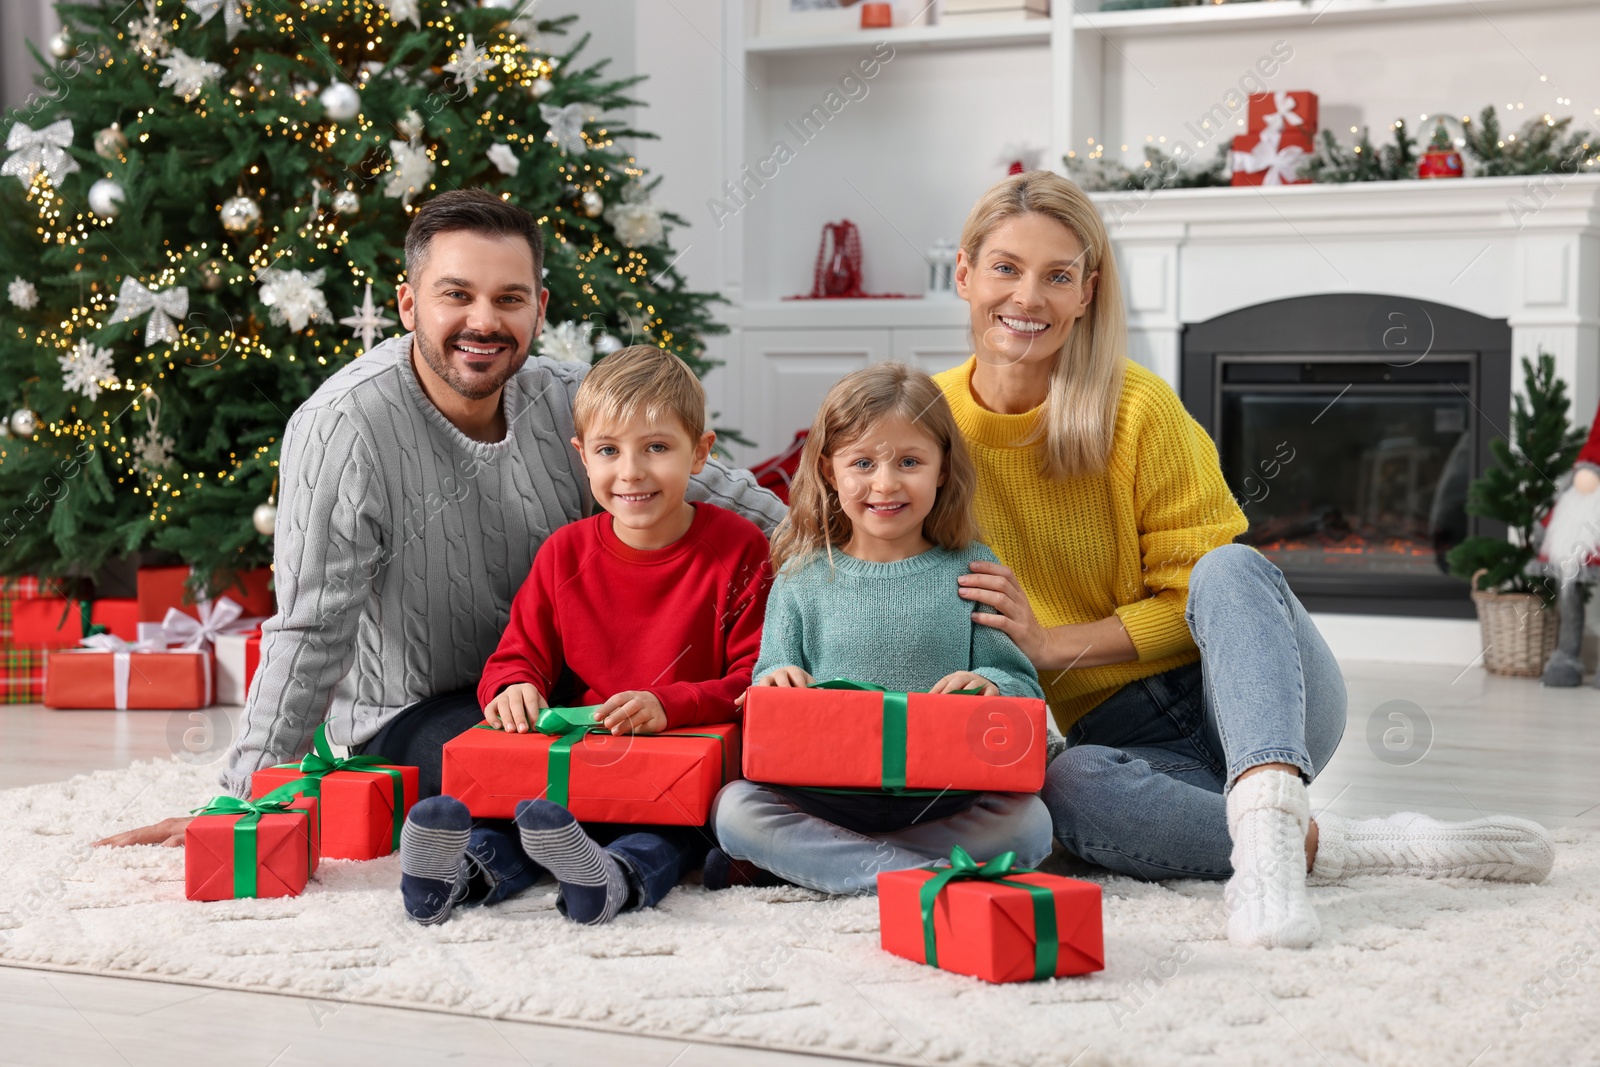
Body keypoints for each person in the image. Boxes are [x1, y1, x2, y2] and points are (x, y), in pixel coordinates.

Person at [935, 170, 1555, 948]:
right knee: (1066, 787)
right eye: (1005, 268)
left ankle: (1265, 858)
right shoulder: (929, 427)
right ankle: (1338, 843)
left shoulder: (1137, 407)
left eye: (1058, 276)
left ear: (1087, 293)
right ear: (964, 272)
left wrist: (1056, 642)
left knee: (1227, 568)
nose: (1028, 297)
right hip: (1125, 738)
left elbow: (1205, 598)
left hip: (1256, 692)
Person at [96, 189, 783, 848]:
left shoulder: (570, 399)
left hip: (554, 696)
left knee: (691, 759)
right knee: (536, 784)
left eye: (508, 299)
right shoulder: (345, 427)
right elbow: (309, 628)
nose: (484, 321)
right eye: (456, 294)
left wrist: (868, 547)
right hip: (412, 712)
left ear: (539, 310)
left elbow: (735, 498)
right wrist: (242, 800)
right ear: (407, 303)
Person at [399, 345, 771, 926]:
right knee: (513, 816)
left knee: (684, 828)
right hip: (581, 763)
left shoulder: (739, 548)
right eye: (608, 451)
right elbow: (516, 655)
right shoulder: (565, 553)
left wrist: (668, 706)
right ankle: (457, 873)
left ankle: (612, 878)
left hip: (681, 765)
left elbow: (755, 680)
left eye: (657, 447)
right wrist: (514, 685)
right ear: (583, 457)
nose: (631, 472)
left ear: (699, 453)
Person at [709, 362, 1053, 895]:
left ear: (942, 469)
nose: (885, 483)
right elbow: (765, 682)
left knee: (1031, 822)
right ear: (829, 471)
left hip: (941, 795)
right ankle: (915, 875)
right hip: (824, 796)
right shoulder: (801, 576)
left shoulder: (971, 568)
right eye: (862, 462)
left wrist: (992, 684)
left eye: (910, 461)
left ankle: (858, 869)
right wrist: (777, 680)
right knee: (733, 810)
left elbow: (1021, 686)